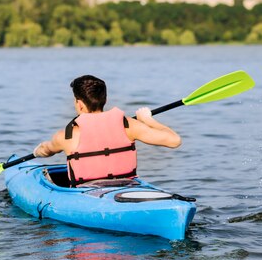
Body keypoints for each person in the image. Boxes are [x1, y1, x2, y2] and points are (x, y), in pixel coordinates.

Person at [34, 75, 181, 187]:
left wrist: (38, 151)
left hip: (87, 195)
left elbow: (47, 150)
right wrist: (148, 119)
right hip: (128, 187)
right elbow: (174, 141)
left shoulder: (66, 136)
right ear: (105, 99)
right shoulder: (128, 125)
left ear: (79, 104)